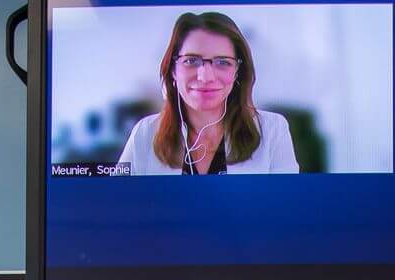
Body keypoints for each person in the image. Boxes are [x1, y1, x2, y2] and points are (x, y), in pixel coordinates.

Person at [118, 11, 299, 175]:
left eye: (222, 62)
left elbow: (287, 206)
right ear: (173, 69)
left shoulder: (273, 131)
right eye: (191, 60)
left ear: (237, 71)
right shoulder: (144, 133)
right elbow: (114, 203)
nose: (205, 77)